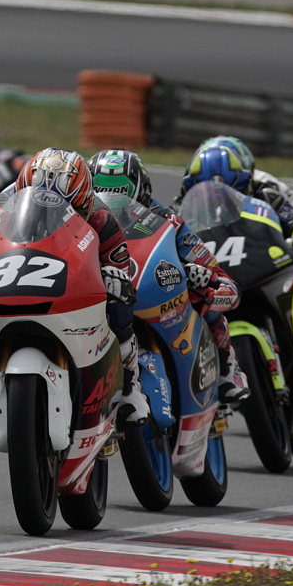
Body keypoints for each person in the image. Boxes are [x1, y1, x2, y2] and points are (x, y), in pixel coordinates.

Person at [0, 147, 151, 426]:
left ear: (85, 202)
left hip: (79, 282)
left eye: (69, 207)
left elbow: (122, 274)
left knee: (120, 307)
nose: (51, 214)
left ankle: (131, 387)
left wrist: (114, 280)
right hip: (22, 277)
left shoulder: (102, 220)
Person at [86, 148, 250, 405]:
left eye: (120, 193)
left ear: (141, 190)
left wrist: (201, 276)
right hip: (102, 292)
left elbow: (218, 275)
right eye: (101, 191)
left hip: (154, 292)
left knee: (202, 291)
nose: (111, 202)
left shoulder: (167, 219)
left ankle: (227, 365)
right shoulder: (80, 218)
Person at [176, 142, 293, 364]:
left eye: (231, 191)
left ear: (246, 184)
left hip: (259, 261)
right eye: (207, 194)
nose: (219, 201)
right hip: (213, 274)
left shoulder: (271, 196)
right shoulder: (178, 208)